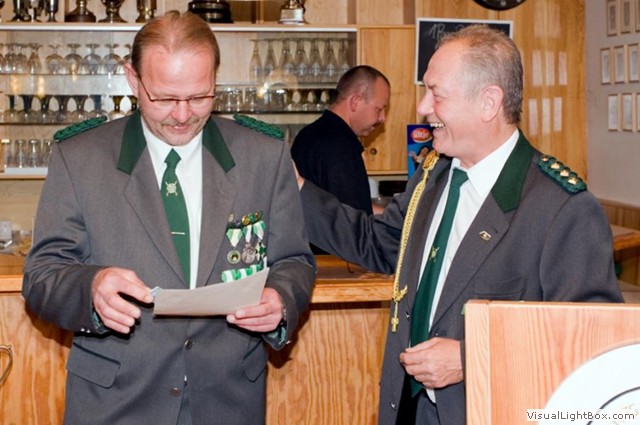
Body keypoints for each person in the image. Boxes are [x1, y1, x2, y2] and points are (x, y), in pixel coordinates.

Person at [294, 25, 623, 425]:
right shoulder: (433, 175)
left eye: (436, 94)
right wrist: (296, 188)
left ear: (488, 103)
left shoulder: (562, 208)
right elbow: (378, 244)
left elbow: (592, 342)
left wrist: (472, 356)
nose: (422, 107)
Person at [22, 11, 315, 425]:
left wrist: (281, 300)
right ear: (132, 80)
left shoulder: (263, 155)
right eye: (164, 99)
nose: (182, 115)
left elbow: (294, 261)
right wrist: (91, 288)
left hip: (229, 400)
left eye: (199, 97)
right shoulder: (80, 158)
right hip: (116, 403)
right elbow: (42, 275)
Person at [291, 65, 391, 216]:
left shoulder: (308, 134)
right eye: (379, 109)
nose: (382, 118)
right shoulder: (342, 148)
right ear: (355, 102)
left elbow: (338, 206)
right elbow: (353, 221)